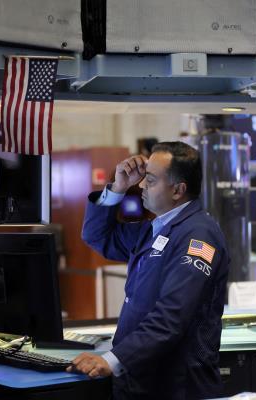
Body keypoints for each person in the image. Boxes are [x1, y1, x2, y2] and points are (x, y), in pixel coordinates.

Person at [67, 142, 229, 400]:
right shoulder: (155, 229)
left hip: (175, 385)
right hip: (141, 375)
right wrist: (118, 188)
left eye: (150, 180)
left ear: (178, 190)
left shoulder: (199, 237)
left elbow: (171, 316)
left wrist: (112, 359)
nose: (140, 186)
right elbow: (98, 236)